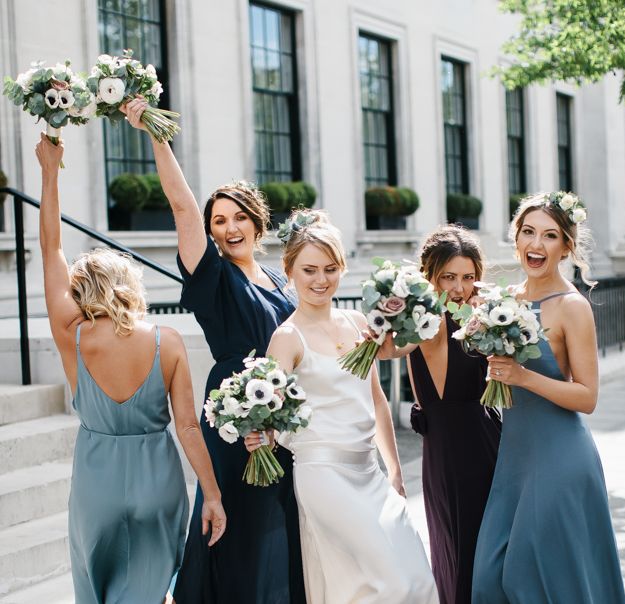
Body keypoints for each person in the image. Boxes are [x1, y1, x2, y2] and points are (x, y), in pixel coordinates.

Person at [122, 99, 305, 603]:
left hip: (282, 417)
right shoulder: (212, 275)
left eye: (239, 217)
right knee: (235, 525)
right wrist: (155, 133)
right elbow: (183, 206)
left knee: (280, 524)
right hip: (233, 419)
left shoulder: (278, 279)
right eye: (219, 220)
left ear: (257, 222)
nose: (229, 227)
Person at [35, 134, 226, 604]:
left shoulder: (71, 333)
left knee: (95, 590)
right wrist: (213, 494)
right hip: (156, 483)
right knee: (150, 591)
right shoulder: (168, 341)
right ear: (128, 285)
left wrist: (49, 170)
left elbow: (50, 248)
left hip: (95, 486)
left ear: (84, 290)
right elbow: (187, 425)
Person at [245, 209, 438, 604]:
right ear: (290, 271)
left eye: (330, 269)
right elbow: (269, 412)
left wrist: (395, 469)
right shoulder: (287, 338)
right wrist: (259, 436)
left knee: (418, 577)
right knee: (387, 585)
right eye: (310, 270)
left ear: (342, 269)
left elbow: (377, 400)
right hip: (323, 474)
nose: (321, 280)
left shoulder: (356, 324)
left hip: (369, 472)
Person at [471, 193, 625, 603]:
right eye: (528, 232)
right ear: (515, 236)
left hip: (559, 458)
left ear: (566, 246)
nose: (536, 245)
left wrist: (522, 376)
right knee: (489, 579)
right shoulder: (505, 300)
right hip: (514, 458)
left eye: (550, 235)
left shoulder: (572, 307)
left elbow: (587, 396)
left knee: (535, 583)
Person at [379, 225, 501, 603]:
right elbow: (390, 350)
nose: (459, 288)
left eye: (468, 278)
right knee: (462, 552)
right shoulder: (427, 324)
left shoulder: (478, 322)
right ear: (429, 278)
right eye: (448, 277)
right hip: (456, 456)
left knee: (470, 553)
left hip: (487, 447)